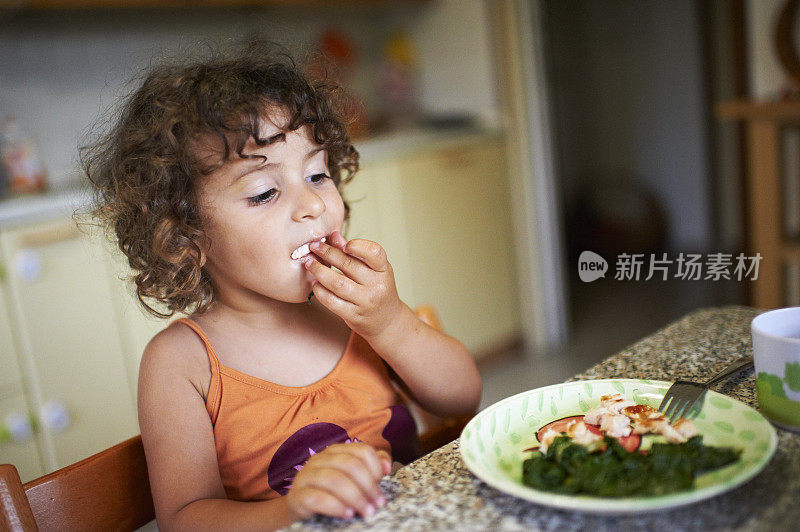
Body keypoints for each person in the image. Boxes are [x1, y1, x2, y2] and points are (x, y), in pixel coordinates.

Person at [83, 39, 482, 531]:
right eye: (265, 192)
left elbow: (463, 399)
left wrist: (392, 324)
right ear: (187, 236)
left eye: (317, 174)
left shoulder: (353, 309)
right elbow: (184, 519)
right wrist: (292, 508)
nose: (311, 204)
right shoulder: (181, 364)